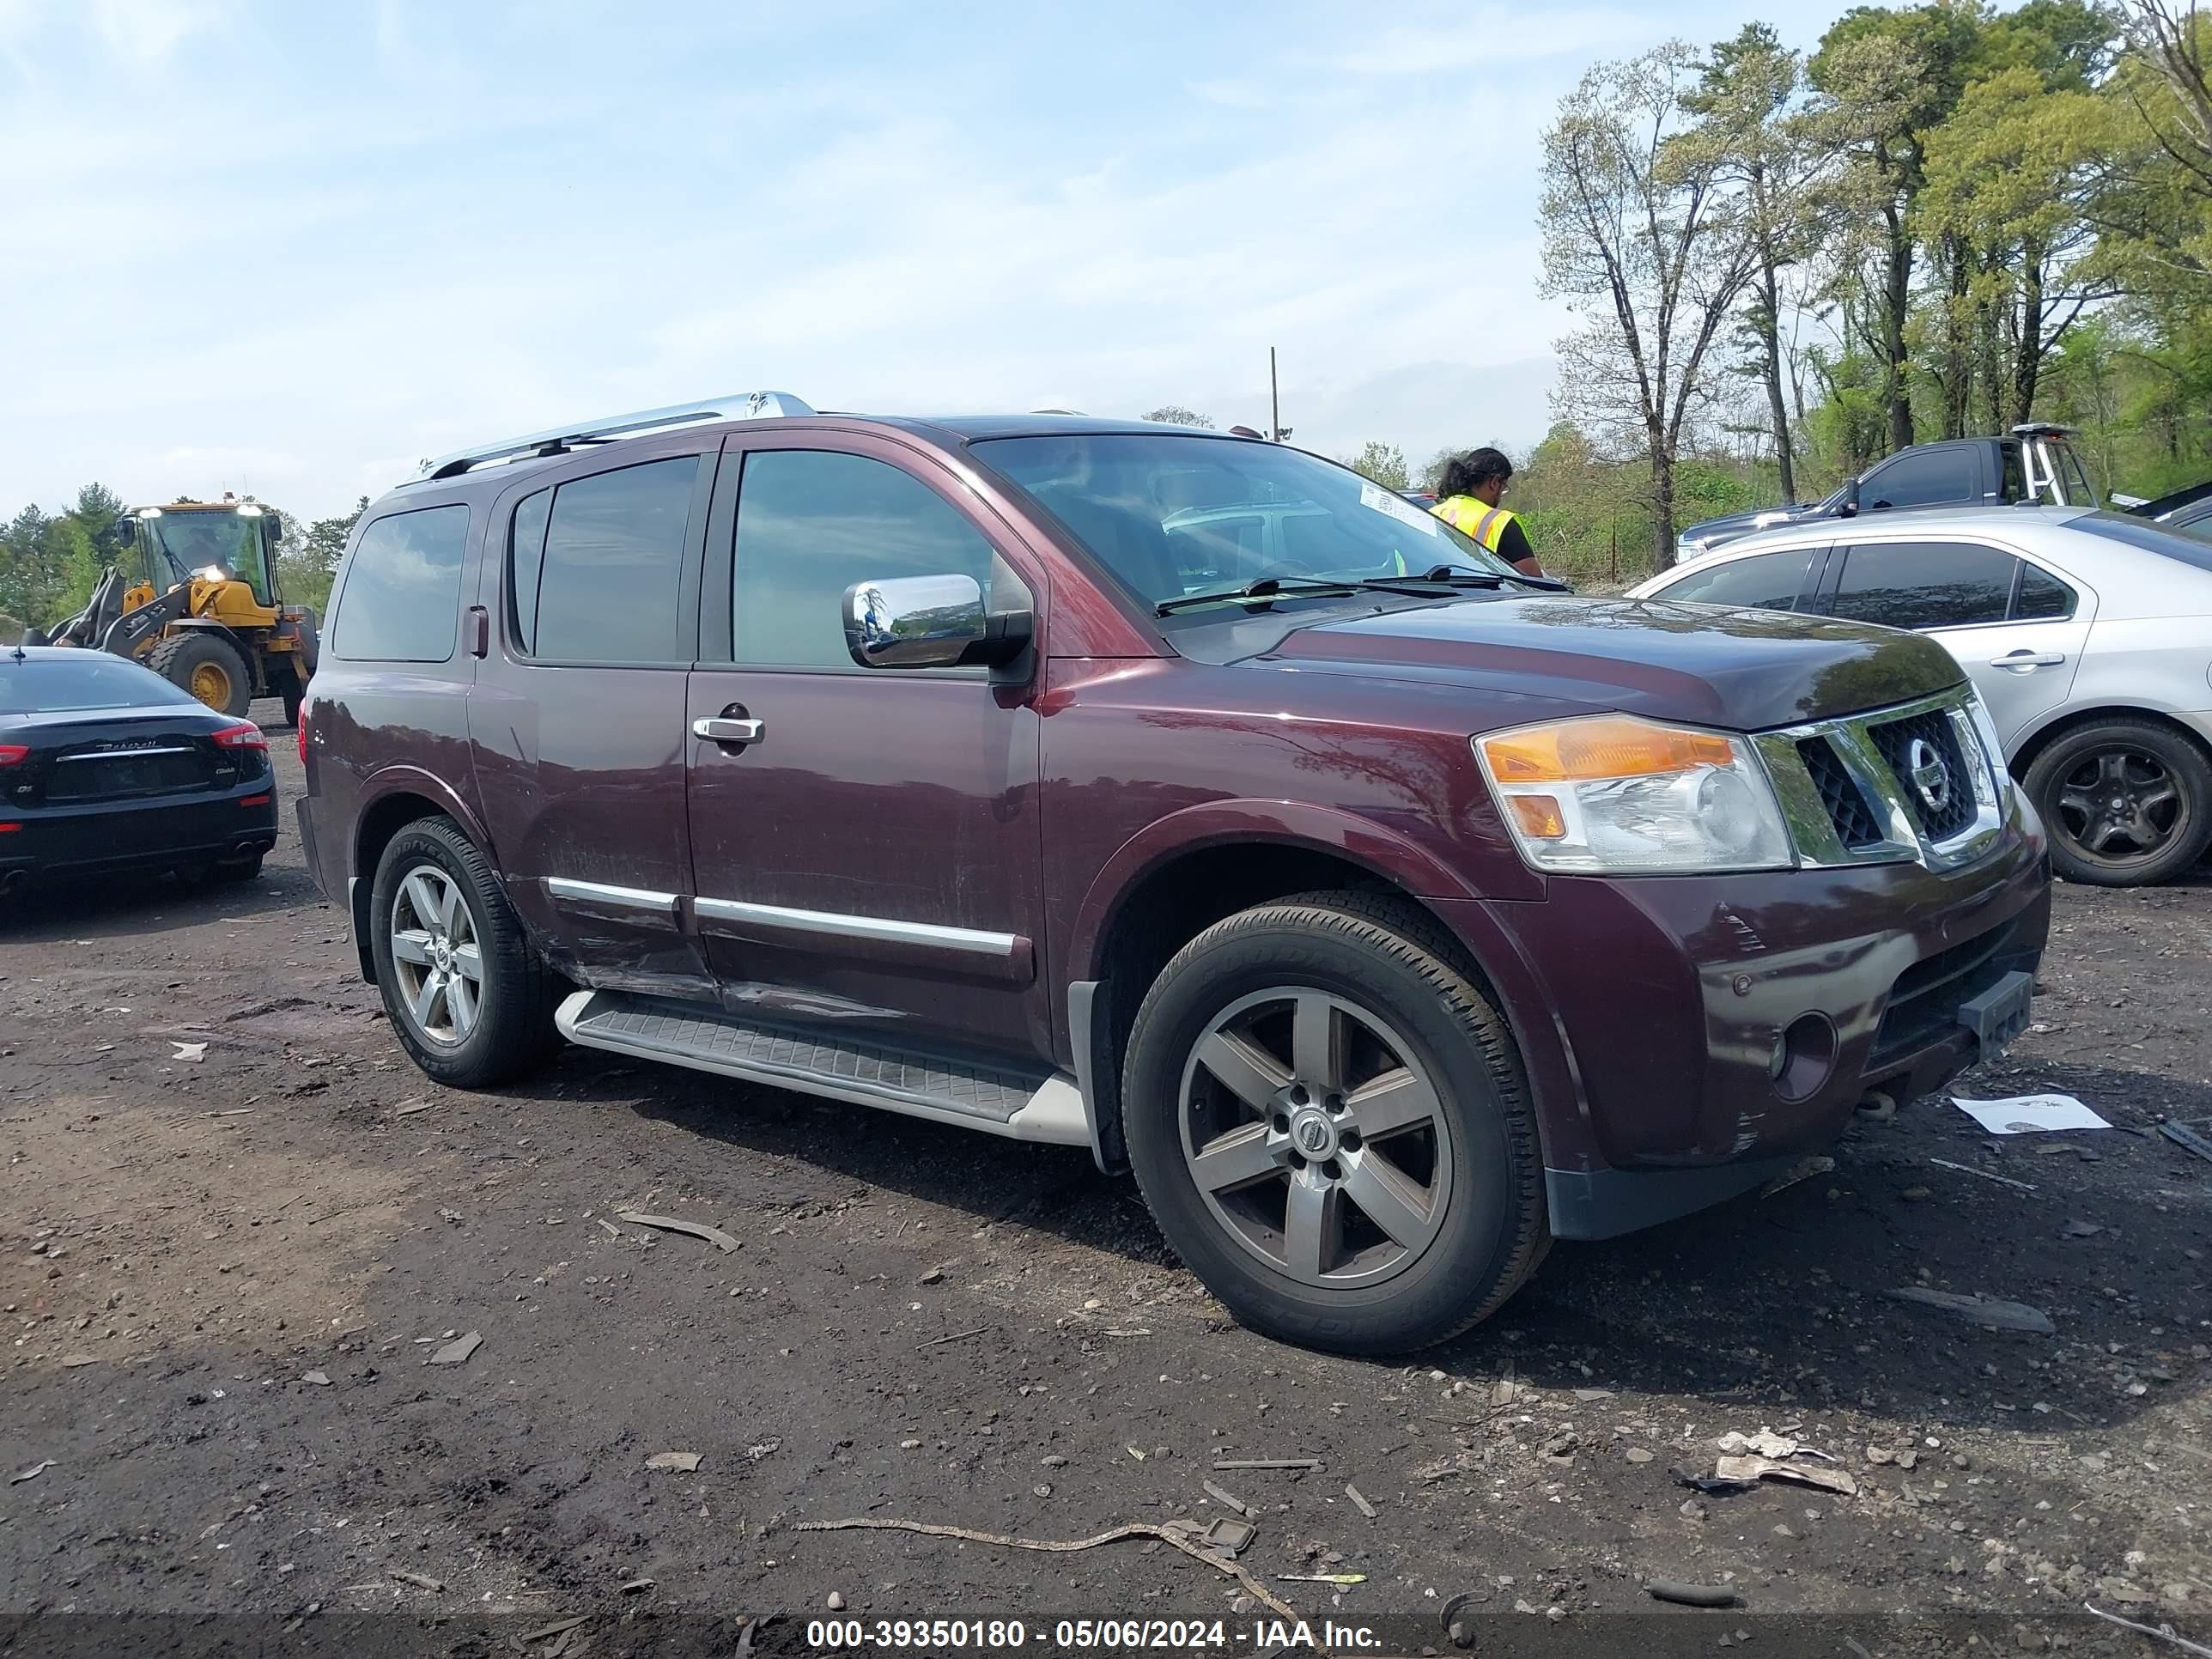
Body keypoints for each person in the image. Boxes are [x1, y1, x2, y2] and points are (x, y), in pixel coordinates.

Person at [1431, 447, 1541, 577]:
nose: (1501, 496)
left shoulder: (1429, 515)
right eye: (1504, 488)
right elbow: (1533, 581)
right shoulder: (1498, 521)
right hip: (1484, 596)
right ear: (1495, 483)